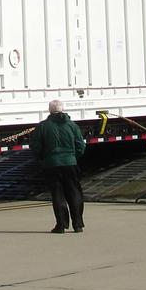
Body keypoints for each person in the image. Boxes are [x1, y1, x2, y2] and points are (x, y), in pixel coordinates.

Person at [30, 99, 87, 233]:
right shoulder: (72, 125)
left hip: (51, 164)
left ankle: (61, 225)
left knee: (58, 194)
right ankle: (78, 224)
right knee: (74, 192)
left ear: (50, 111)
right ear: (62, 110)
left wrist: (42, 159)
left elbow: (36, 146)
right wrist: (73, 157)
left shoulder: (42, 126)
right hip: (70, 162)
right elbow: (81, 145)